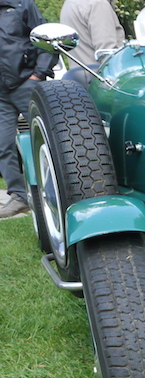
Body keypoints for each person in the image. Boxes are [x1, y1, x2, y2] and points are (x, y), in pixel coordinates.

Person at [0, 0, 59, 219]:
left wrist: (39, 74)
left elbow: (47, 39)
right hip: (1, 93)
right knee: (3, 144)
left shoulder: (22, 4)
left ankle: (63, 188)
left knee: (49, 138)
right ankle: (19, 196)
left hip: (26, 82)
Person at [60, 0, 125, 68]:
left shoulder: (69, 4)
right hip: (99, 73)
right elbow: (107, 55)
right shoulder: (98, 4)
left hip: (81, 72)